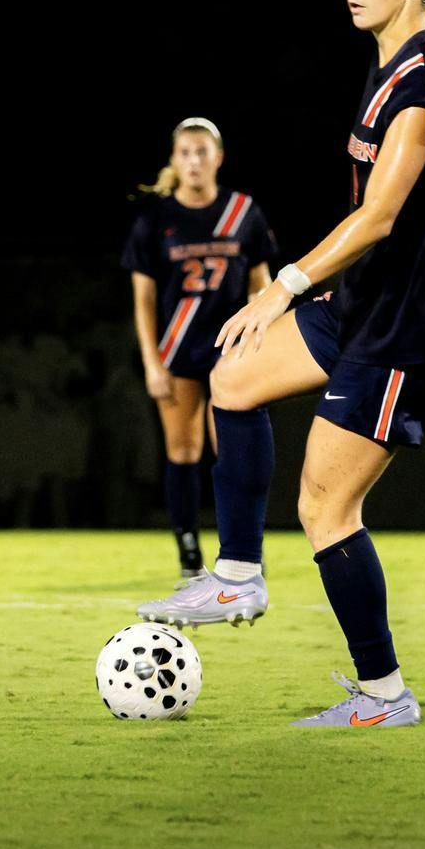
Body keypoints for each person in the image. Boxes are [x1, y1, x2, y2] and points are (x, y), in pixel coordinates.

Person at [133, 0, 425, 731]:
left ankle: (384, 695)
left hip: (406, 330)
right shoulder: (388, 60)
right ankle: (238, 574)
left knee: (325, 510)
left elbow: (380, 216)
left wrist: (283, 283)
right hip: (366, 306)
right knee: (235, 374)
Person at [122, 118, 279, 577]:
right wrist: (152, 363)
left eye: (202, 152)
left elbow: (261, 284)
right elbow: (144, 300)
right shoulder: (156, 219)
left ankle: (244, 550)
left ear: (218, 158)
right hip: (178, 349)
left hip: (229, 349)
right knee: (183, 451)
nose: (194, 161)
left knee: (232, 450)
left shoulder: (242, 211)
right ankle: (189, 552)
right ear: (173, 160)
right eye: (185, 153)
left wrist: (260, 335)